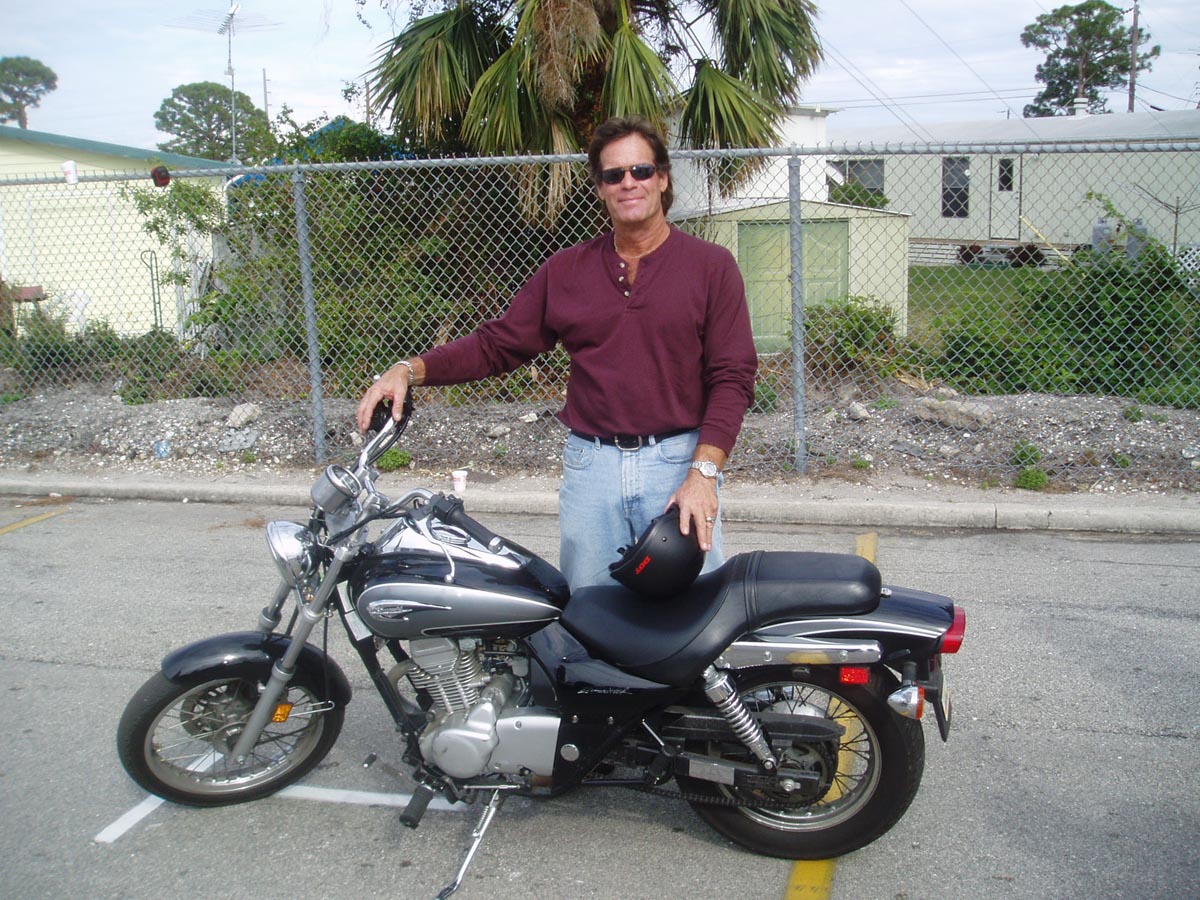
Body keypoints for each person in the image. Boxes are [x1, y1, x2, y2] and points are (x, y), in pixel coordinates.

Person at [357, 115, 758, 591]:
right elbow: (499, 345)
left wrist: (703, 474)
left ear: (663, 178)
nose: (628, 183)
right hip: (592, 469)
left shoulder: (711, 267)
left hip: (678, 463)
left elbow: (733, 376)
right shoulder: (566, 271)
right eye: (614, 175)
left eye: (641, 171)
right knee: (590, 614)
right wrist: (409, 369)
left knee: (695, 615)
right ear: (600, 188)